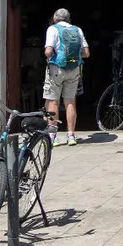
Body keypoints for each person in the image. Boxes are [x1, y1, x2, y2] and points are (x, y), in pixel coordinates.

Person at [43, 7, 91, 145]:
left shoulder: (52, 29)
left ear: (55, 18)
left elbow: (48, 51)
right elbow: (86, 53)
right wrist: (73, 58)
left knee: (53, 102)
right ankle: (71, 136)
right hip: (74, 69)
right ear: (69, 19)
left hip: (57, 69)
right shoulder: (77, 30)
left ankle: (53, 136)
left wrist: (55, 56)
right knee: (70, 102)